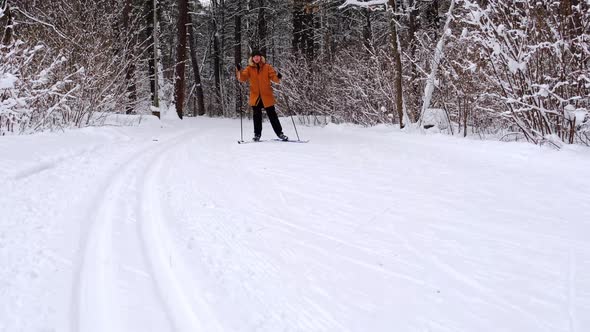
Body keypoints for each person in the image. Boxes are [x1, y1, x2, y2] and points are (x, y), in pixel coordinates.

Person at [236, 50, 288, 142]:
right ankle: (257, 135)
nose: (256, 58)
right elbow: (242, 78)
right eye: (254, 56)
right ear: (252, 58)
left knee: (273, 116)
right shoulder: (249, 68)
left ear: (261, 57)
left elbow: (274, 78)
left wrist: (278, 77)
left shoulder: (267, 67)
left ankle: (280, 133)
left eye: (258, 56)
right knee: (257, 117)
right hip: (256, 97)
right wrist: (239, 70)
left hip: (267, 96)